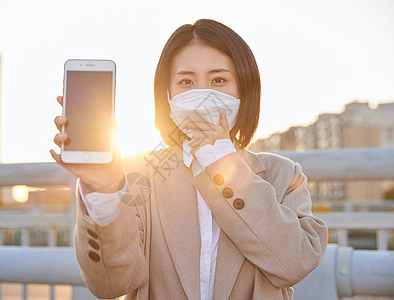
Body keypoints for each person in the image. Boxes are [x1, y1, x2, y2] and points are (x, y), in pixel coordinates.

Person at [51, 19, 327, 300]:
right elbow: (111, 285)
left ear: (244, 90)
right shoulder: (134, 175)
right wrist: (105, 194)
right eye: (186, 82)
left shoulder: (284, 175)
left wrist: (219, 159)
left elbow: (295, 263)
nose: (202, 94)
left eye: (218, 80)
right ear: (168, 96)